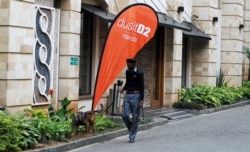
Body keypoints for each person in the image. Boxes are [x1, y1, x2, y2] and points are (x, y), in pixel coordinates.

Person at [120, 58, 144, 143]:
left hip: (136, 96)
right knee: (124, 115)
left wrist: (141, 100)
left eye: (129, 64)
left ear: (133, 64)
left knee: (135, 117)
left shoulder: (140, 73)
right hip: (128, 95)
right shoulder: (127, 72)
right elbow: (128, 83)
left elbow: (142, 87)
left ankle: (132, 136)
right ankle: (132, 129)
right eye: (127, 64)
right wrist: (124, 88)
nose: (127, 66)